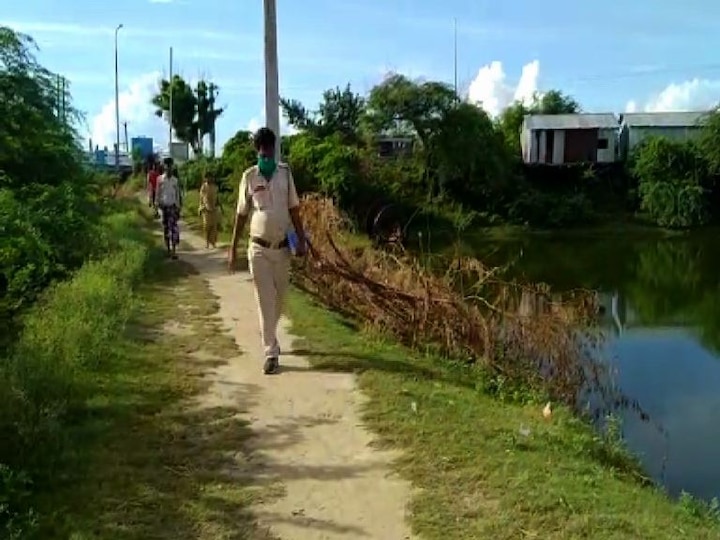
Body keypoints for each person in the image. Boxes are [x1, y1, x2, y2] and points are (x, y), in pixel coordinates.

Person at [228, 127, 307, 375]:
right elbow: (241, 215)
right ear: (257, 150)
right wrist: (233, 248)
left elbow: (294, 209)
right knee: (265, 300)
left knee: (280, 298)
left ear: (274, 148)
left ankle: (268, 332)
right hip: (258, 248)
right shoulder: (250, 177)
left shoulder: (285, 174)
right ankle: (271, 352)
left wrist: (302, 239)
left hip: (282, 248)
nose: (266, 153)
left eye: (269, 148)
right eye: (261, 149)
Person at [156, 157, 182, 259]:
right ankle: (168, 250)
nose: (169, 168)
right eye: (167, 166)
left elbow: (178, 194)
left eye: (170, 166)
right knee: (166, 229)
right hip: (163, 207)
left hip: (173, 207)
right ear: (164, 167)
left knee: (174, 229)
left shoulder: (175, 180)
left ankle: (174, 251)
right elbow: (158, 193)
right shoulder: (160, 179)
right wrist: (157, 205)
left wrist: (179, 207)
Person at [198, 175, 221, 248]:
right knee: (207, 227)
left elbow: (217, 198)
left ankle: (213, 242)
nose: (209, 179)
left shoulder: (215, 187)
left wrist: (219, 207)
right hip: (206, 209)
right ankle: (207, 242)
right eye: (207, 178)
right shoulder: (203, 187)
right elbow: (201, 198)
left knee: (214, 227)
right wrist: (200, 208)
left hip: (214, 208)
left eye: (210, 177)